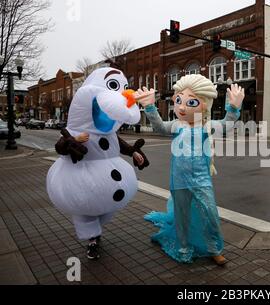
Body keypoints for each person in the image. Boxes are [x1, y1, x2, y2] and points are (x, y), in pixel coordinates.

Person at [135, 74, 244, 265]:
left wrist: (234, 107)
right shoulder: (176, 125)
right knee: (182, 216)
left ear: (204, 105)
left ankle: (214, 248)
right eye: (178, 100)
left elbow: (226, 124)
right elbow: (160, 127)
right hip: (178, 180)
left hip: (202, 179)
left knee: (210, 213)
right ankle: (183, 247)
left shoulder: (207, 126)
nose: (182, 107)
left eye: (190, 102)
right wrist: (150, 107)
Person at [47, 68, 149, 260]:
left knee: (105, 211)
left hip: (109, 188)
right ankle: (92, 240)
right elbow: (60, 147)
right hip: (80, 181)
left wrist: (133, 152)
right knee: (86, 212)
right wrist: (74, 140)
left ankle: (95, 233)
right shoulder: (75, 129)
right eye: (113, 86)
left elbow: (119, 144)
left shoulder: (109, 133)